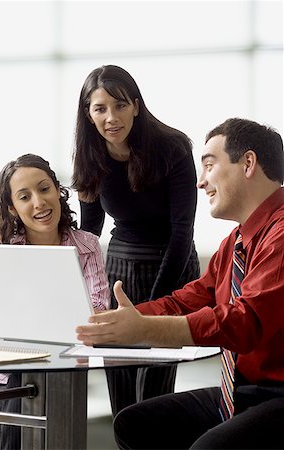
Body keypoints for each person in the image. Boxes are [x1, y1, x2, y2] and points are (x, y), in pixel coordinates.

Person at [76, 118, 284, 449]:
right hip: (245, 392)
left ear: (248, 163)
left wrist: (145, 330)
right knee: (135, 424)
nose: (200, 183)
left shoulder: (281, 235)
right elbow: (187, 300)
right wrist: (108, 323)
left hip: (277, 394)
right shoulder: (235, 242)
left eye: (209, 165)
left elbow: (245, 322)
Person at [0, 153, 110, 449]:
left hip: (57, 385)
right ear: (13, 207)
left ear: (58, 192)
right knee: (30, 404)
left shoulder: (86, 246)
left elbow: (98, 312)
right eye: (25, 196)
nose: (39, 203)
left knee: (42, 405)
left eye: (44, 189)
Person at [72, 64, 200, 415]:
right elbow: (90, 231)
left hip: (170, 266)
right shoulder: (89, 155)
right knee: (122, 391)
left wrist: (156, 308)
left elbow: (182, 232)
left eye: (120, 105)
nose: (111, 117)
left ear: (137, 106)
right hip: (120, 273)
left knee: (154, 393)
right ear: (89, 114)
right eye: (100, 109)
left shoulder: (172, 147)